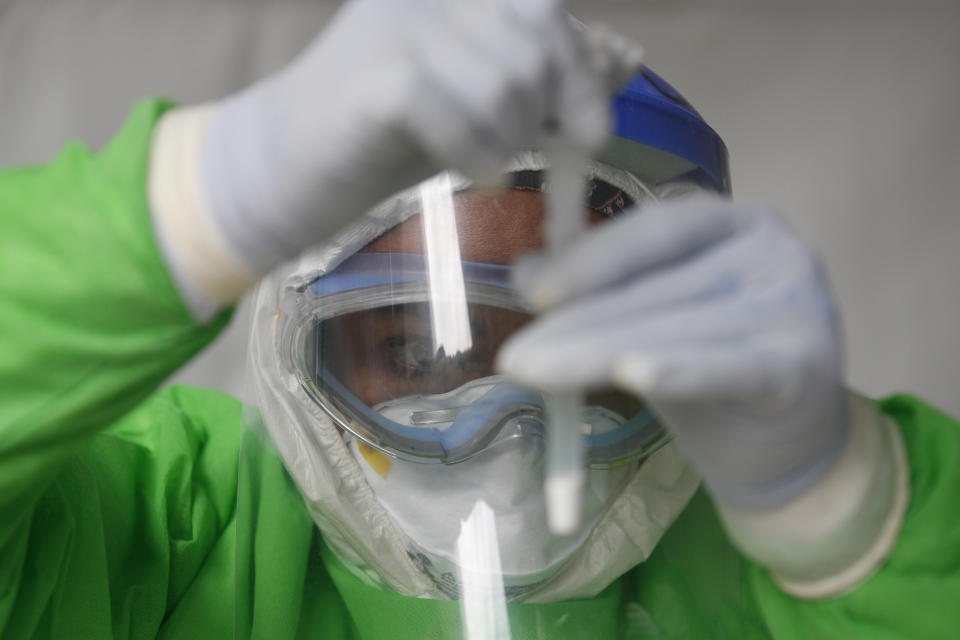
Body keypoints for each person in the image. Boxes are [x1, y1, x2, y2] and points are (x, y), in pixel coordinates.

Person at [0, 0, 957, 637]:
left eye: (582, 361)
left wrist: (843, 515)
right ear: (300, 343)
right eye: (419, 350)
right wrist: (194, 200)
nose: (506, 422)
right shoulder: (167, 529)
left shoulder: (769, 572)